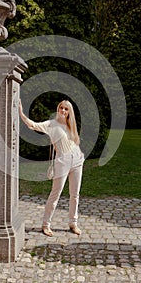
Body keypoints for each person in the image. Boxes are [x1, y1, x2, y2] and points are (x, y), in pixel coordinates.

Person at [19, 99, 85, 237]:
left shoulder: (70, 125)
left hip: (77, 161)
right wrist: (20, 112)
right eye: (61, 108)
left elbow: (75, 142)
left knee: (75, 195)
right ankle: (46, 224)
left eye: (66, 109)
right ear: (58, 109)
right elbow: (33, 125)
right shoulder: (51, 124)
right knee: (55, 194)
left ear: (69, 113)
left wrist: (80, 155)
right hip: (62, 162)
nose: (63, 111)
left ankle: (73, 223)